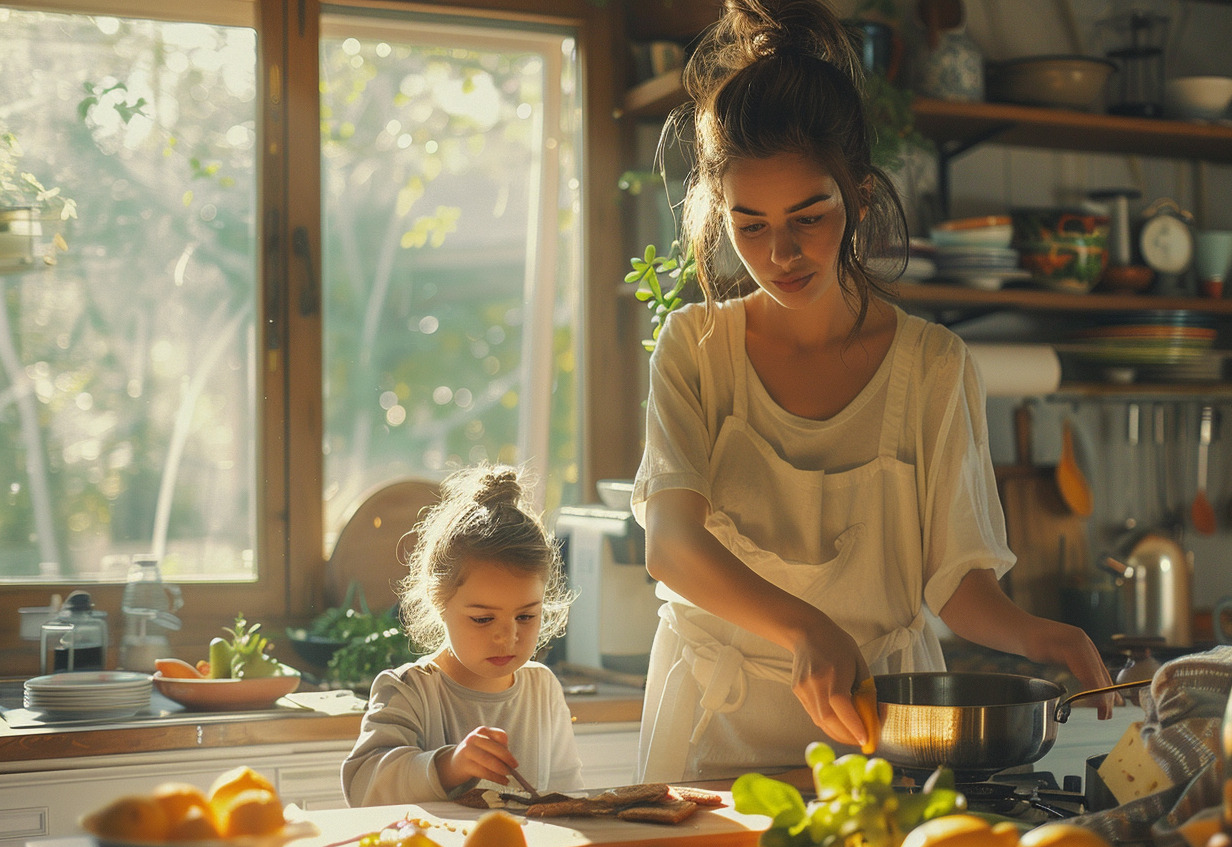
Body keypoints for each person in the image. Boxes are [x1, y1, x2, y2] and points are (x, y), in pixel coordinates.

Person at [631, 0, 1115, 784]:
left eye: (808, 216)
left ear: (857, 194)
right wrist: (805, 628)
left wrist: (1037, 634)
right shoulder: (696, 349)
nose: (780, 253)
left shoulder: (933, 366)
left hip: (882, 735)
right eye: (749, 225)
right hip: (711, 740)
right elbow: (673, 547)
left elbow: (958, 584)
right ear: (718, 215)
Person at [342, 463, 584, 805]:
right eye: (483, 619)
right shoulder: (409, 692)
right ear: (439, 603)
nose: (508, 636)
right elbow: (363, 788)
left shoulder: (543, 690)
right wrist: (448, 765)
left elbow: (567, 796)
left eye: (526, 615)